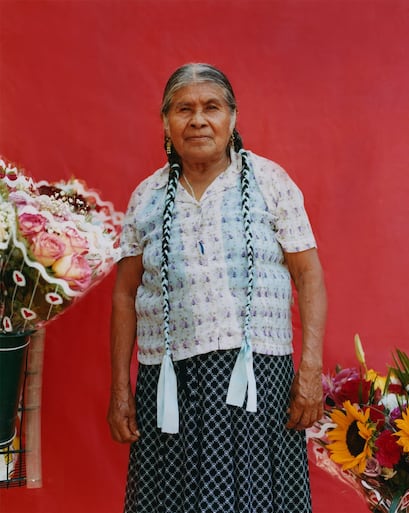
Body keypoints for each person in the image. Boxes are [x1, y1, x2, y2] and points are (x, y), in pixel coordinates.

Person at [107, 62, 327, 513]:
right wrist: (120, 388)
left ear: (233, 117)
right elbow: (124, 294)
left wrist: (309, 370)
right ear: (165, 122)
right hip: (170, 383)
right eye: (183, 109)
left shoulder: (271, 182)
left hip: (260, 383)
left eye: (212, 107)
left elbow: (309, 276)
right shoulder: (146, 196)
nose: (198, 119)